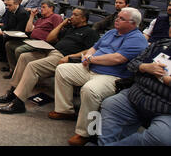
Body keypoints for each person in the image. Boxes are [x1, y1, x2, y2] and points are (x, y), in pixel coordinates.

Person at [49, 8, 149, 146]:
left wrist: (91, 59)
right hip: (90, 68)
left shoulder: (137, 39)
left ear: (133, 23)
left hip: (112, 76)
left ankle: (85, 133)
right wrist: (87, 57)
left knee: (90, 90)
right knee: (62, 70)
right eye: (117, 17)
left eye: (121, 18)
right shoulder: (112, 32)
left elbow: (117, 59)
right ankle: (65, 110)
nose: (116, 19)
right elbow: (95, 47)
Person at [0, 7, 99, 114]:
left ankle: (18, 103)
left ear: (83, 19)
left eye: (75, 15)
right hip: (51, 51)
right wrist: (62, 24)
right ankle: (13, 92)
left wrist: (70, 56)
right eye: (71, 14)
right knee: (24, 57)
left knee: (33, 66)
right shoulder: (70, 29)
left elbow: (91, 50)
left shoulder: (90, 32)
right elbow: (50, 38)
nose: (71, 17)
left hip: (63, 57)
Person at [98, 26, 171, 146]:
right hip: (137, 94)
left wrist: (168, 80)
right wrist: (144, 67)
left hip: (166, 108)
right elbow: (132, 64)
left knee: (161, 138)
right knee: (111, 104)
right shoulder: (160, 44)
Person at [4, 0, 63, 78]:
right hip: (32, 41)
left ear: (51, 8)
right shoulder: (40, 19)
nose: (41, 9)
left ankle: (23, 74)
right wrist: (32, 16)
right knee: (9, 44)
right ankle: (14, 70)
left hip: (43, 43)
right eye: (41, 7)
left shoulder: (55, 17)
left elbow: (58, 32)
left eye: (44, 7)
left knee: (19, 50)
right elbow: (28, 30)